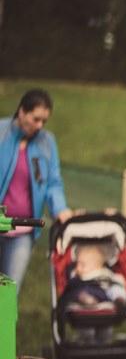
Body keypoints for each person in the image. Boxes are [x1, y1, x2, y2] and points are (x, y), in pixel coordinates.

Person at [0, 89, 72, 291]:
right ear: (22, 111)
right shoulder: (1, 133)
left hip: (23, 231)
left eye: (44, 121)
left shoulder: (47, 143)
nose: (40, 126)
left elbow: (53, 183)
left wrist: (60, 209)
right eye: (36, 119)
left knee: (8, 293)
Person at [62, 242, 126, 343]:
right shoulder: (77, 279)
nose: (78, 267)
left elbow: (116, 286)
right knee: (87, 334)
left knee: (106, 334)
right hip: (83, 311)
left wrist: (119, 297)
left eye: (82, 264)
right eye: (77, 263)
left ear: (97, 267)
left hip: (104, 307)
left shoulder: (105, 276)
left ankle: (119, 300)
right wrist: (80, 296)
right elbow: (69, 292)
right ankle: (86, 343)